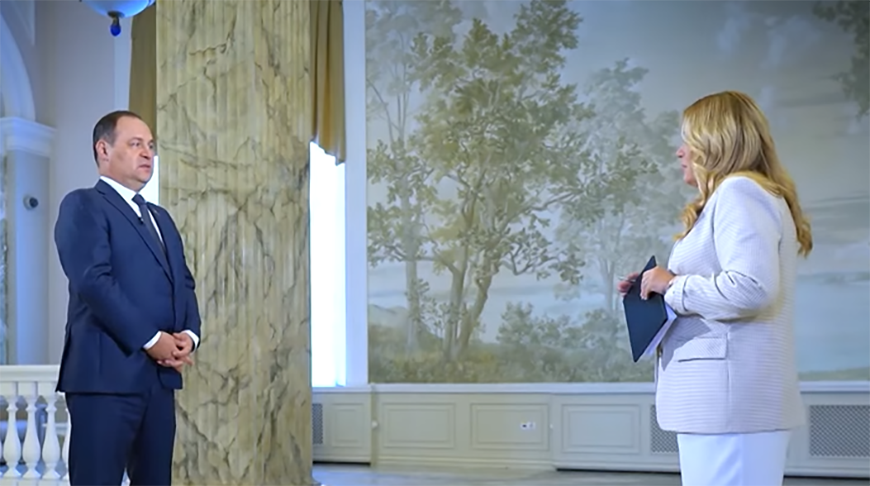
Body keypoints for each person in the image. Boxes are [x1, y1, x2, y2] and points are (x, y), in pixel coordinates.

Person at [618, 91, 812, 486]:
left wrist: (672, 285)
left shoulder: (739, 192)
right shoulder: (739, 196)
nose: (679, 152)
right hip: (726, 407)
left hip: (732, 405)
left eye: (688, 140)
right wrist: (655, 290)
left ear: (716, 142)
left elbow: (750, 288)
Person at [54, 110, 202, 486]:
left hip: (159, 381)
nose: (148, 153)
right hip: (104, 381)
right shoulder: (83, 204)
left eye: (150, 145)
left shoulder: (161, 218)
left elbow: (183, 283)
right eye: (136, 144)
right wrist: (152, 340)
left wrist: (189, 335)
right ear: (103, 150)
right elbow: (94, 281)